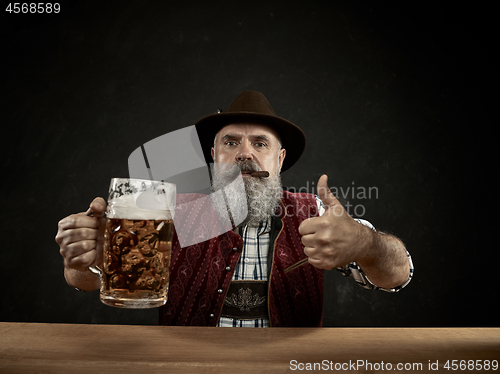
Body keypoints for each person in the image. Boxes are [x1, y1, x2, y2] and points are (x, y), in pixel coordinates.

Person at [56, 90, 413, 327]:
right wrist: (89, 259)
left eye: (260, 143)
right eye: (231, 142)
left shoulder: (316, 212)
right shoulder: (170, 215)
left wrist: (366, 243)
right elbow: (88, 279)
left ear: (279, 159)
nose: (245, 154)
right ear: (214, 156)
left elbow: (398, 274)